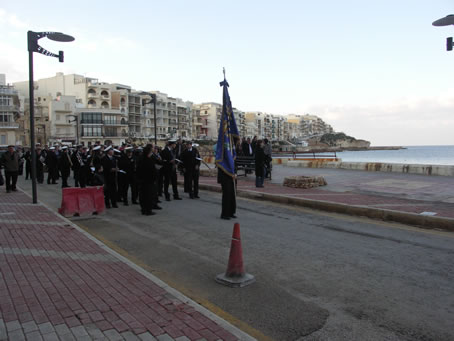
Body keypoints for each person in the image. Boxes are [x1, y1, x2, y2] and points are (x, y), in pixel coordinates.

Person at [137, 145, 157, 215]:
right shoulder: (149, 160)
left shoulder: (141, 159)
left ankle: (143, 209)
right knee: (149, 196)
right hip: (149, 181)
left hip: (142, 180)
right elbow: (153, 171)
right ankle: (148, 210)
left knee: (142, 195)